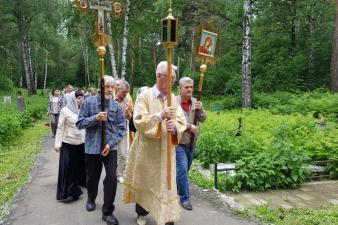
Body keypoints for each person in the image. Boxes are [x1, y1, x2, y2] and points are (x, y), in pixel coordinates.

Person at [123, 61, 187, 225]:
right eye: (171, 78)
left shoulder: (173, 98)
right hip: (147, 150)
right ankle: (141, 213)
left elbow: (181, 120)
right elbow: (138, 121)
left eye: (174, 79)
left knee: (166, 183)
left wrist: (175, 127)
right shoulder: (144, 96)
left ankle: (167, 216)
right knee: (145, 180)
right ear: (160, 76)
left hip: (166, 151)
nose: (173, 82)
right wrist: (160, 116)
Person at [76, 75, 126, 225]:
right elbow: (79, 123)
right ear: (100, 87)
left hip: (110, 148)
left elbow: (122, 128)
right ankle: (91, 198)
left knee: (111, 177)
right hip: (92, 147)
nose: (110, 90)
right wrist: (95, 118)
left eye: (112, 87)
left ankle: (108, 212)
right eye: (107, 87)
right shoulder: (88, 102)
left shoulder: (117, 107)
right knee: (92, 177)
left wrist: (110, 144)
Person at [175, 77, 206, 211]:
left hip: (192, 143)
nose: (190, 89)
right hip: (179, 143)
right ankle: (185, 198)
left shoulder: (196, 102)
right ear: (180, 89)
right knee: (182, 169)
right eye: (187, 87)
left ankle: (176, 187)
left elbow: (203, 119)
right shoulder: (174, 102)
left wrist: (201, 110)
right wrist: (189, 126)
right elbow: (173, 120)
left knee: (185, 169)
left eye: (191, 87)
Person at [54, 90, 86, 201]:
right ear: (73, 99)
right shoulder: (65, 110)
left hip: (81, 143)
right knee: (68, 167)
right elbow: (60, 127)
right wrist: (57, 144)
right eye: (78, 98)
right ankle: (67, 191)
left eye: (82, 98)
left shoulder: (83, 110)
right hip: (68, 142)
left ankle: (78, 185)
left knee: (78, 167)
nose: (81, 100)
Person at [114, 80, 133, 184]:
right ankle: (112, 173)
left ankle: (120, 174)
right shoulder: (111, 100)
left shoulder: (127, 100)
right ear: (117, 90)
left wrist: (128, 114)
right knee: (112, 154)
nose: (125, 94)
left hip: (123, 131)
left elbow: (130, 118)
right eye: (123, 91)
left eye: (126, 91)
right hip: (111, 131)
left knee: (123, 154)